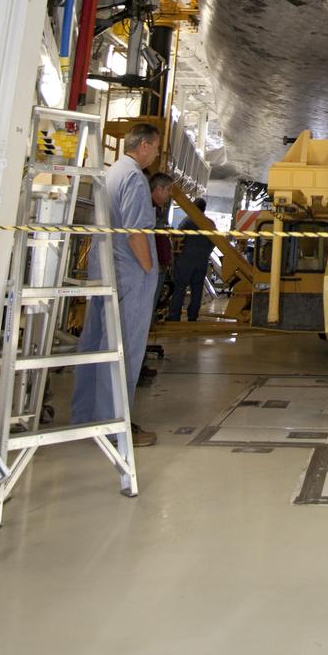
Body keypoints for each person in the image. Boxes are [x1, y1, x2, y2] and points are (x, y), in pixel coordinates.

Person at [71, 122, 161, 446]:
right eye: (157, 147)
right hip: (129, 274)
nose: (157, 153)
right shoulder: (135, 178)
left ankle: (86, 416)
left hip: (103, 268)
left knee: (95, 344)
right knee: (124, 349)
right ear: (146, 145)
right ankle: (115, 425)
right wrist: (149, 270)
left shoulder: (111, 173)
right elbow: (137, 231)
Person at [138, 171, 174, 385]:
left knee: (145, 319)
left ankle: (139, 364)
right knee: (141, 319)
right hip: (150, 269)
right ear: (158, 189)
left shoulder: (156, 209)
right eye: (168, 190)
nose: (169, 195)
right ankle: (137, 367)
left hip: (156, 268)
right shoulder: (148, 208)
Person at [167, 198, 212, 322]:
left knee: (179, 288)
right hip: (201, 262)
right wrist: (205, 253)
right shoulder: (210, 223)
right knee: (197, 290)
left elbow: (178, 237)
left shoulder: (188, 221)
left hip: (185, 262)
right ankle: (192, 316)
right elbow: (214, 242)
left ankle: (174, 316)